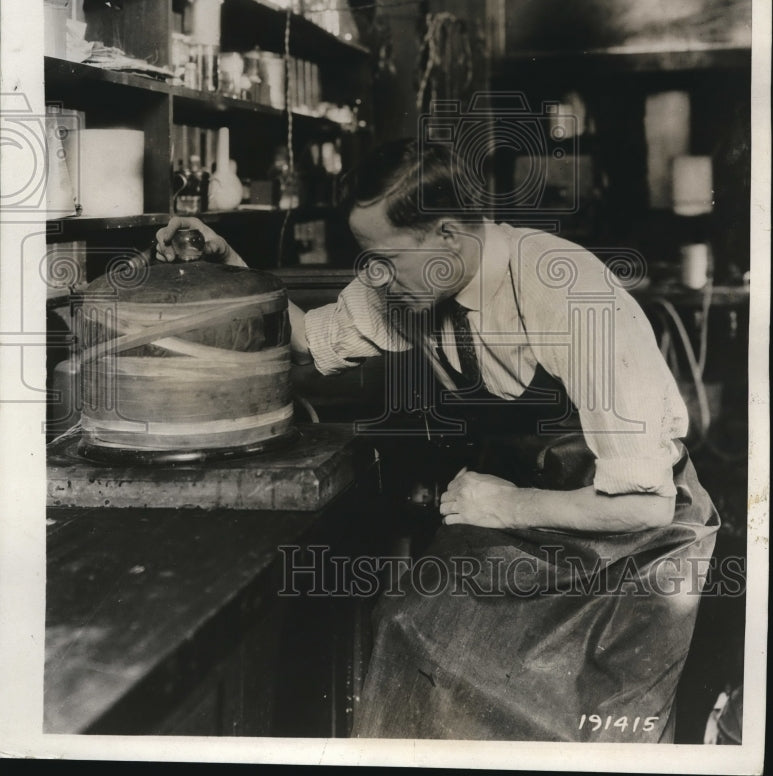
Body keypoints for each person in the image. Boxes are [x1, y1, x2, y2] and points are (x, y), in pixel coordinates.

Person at [155, 137, 719, 742]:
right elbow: (306, 343)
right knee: (408, 627)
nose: (374, 277)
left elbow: (646, 504)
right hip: (522, 511)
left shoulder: (571, 297)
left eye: (384, 258)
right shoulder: (413, 282)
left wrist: (502, 505)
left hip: (631, 545)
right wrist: (227, 264)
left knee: (556, 713)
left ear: (448, 235)